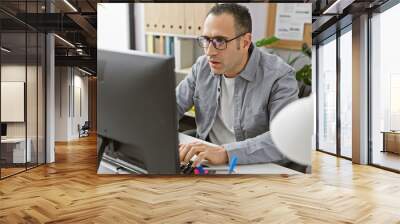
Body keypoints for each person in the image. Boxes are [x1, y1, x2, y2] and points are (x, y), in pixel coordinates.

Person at [176, 3, 299, 168]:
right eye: (206, 40)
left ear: (245, 42)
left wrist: (225, 153)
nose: (209, 52)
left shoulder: (279, 76)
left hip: (255, 166)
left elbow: (285, 138)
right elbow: (172, 106)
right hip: (207, 161)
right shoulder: (202, 66)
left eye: (220, 41)